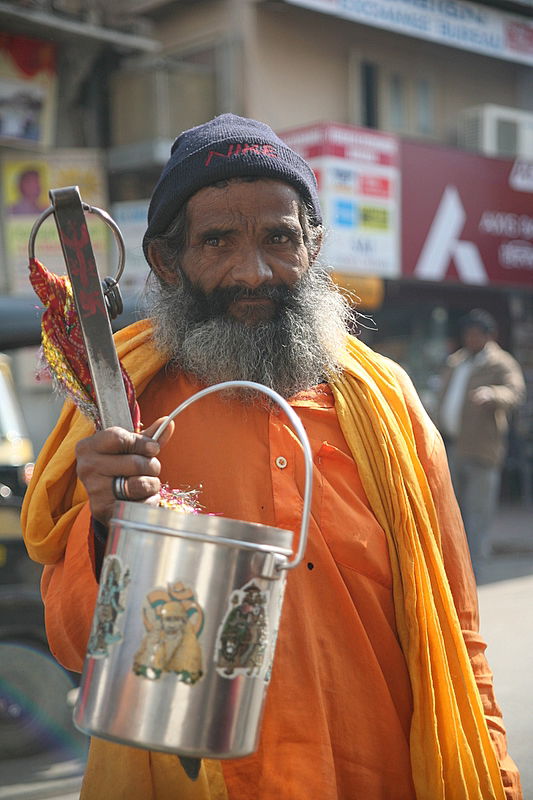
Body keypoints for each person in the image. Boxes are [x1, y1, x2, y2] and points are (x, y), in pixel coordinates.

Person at [22, 115, 522, 800]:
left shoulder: (388, 404)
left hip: (378, 774)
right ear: (168, 261)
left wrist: (490, 772)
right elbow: (75, 643)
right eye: (217, 241)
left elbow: (457, 634)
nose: (251, 271)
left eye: (278, 239)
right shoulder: (121, 409)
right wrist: (110, 526)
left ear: (312, 247)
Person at [435, 309, 525, 575]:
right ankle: (452, 567)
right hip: (451, 447)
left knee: (477, 512)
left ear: (489, 336)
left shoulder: (501, 363)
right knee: (449, 510)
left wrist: (494, 394)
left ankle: (475, 569)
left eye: (476, 335)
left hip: (482, 449)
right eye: (468, 334)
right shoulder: (456, 361)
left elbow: (516, 393)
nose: (471, 339)